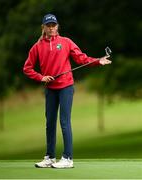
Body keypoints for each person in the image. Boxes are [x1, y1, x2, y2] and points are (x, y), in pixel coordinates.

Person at [23, 14, 111, 168]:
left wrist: (98, 61)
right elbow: (27, 68)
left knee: (64, 121)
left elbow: (81, 58)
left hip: (66, 87)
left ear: (57, 26)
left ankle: (68, 158)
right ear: (43, 27)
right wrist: (41, 77)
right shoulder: (37, 47)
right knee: (50, 123)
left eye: (53, 25)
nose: (51, 28)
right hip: (50, 89)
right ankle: (50, 157)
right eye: (48, 25)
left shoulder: (66, 42)